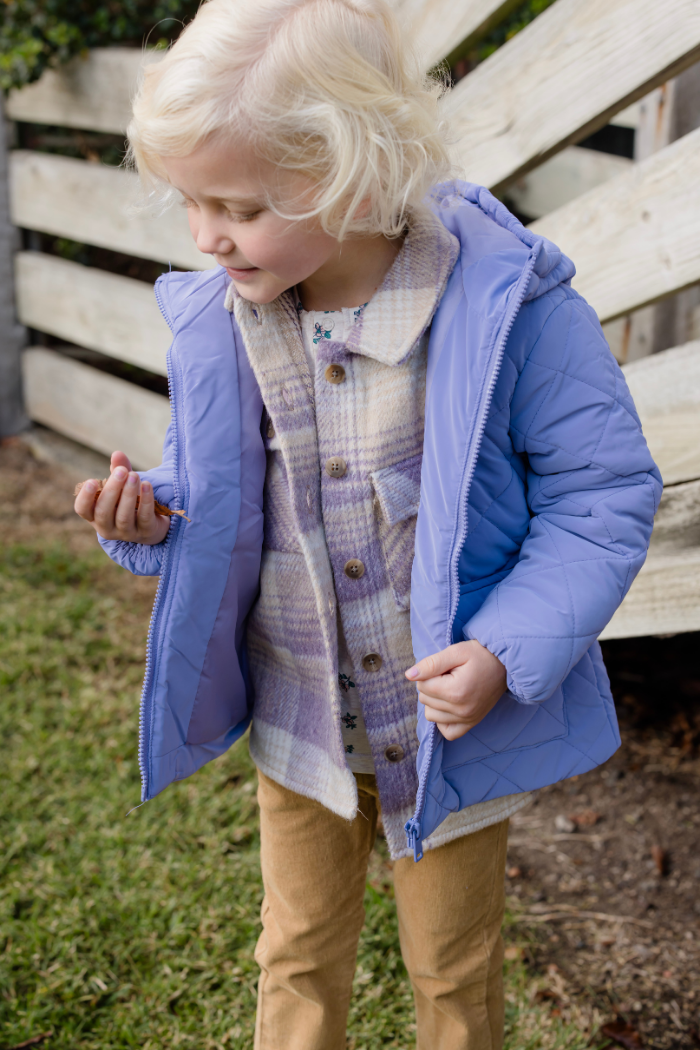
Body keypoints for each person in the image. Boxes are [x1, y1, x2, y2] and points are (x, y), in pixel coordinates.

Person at [74, 1, 662, 1046]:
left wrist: (502, 649)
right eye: (190, 204)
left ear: (348, 178)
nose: (206, 237)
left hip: (448, 733)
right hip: (301, 716)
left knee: (453, 968)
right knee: (293, 951)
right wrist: (157, 516)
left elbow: (599, 496)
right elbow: (223, 486)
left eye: (237, 206)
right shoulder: (230, 316)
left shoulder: (510, 309)